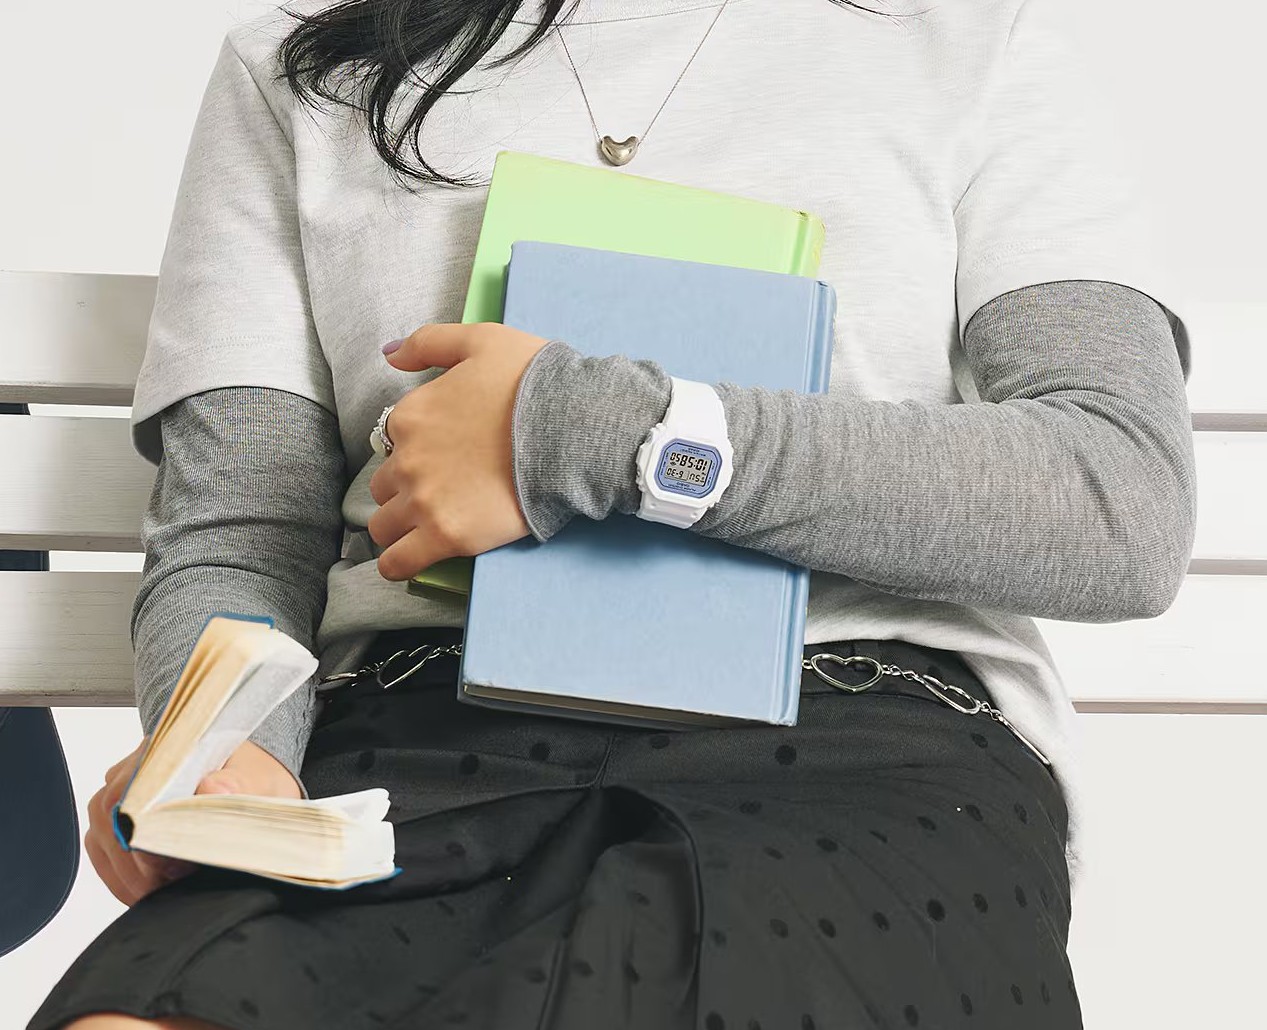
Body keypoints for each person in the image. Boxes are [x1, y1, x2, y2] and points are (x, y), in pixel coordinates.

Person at [29, 0, 1196, 1028]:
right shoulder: (301, 70)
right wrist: (226, 751)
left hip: (861, 744)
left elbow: (1117, 497)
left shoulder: (971, 45)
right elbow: (243, 530)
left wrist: (594, 433)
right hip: (410, 747)